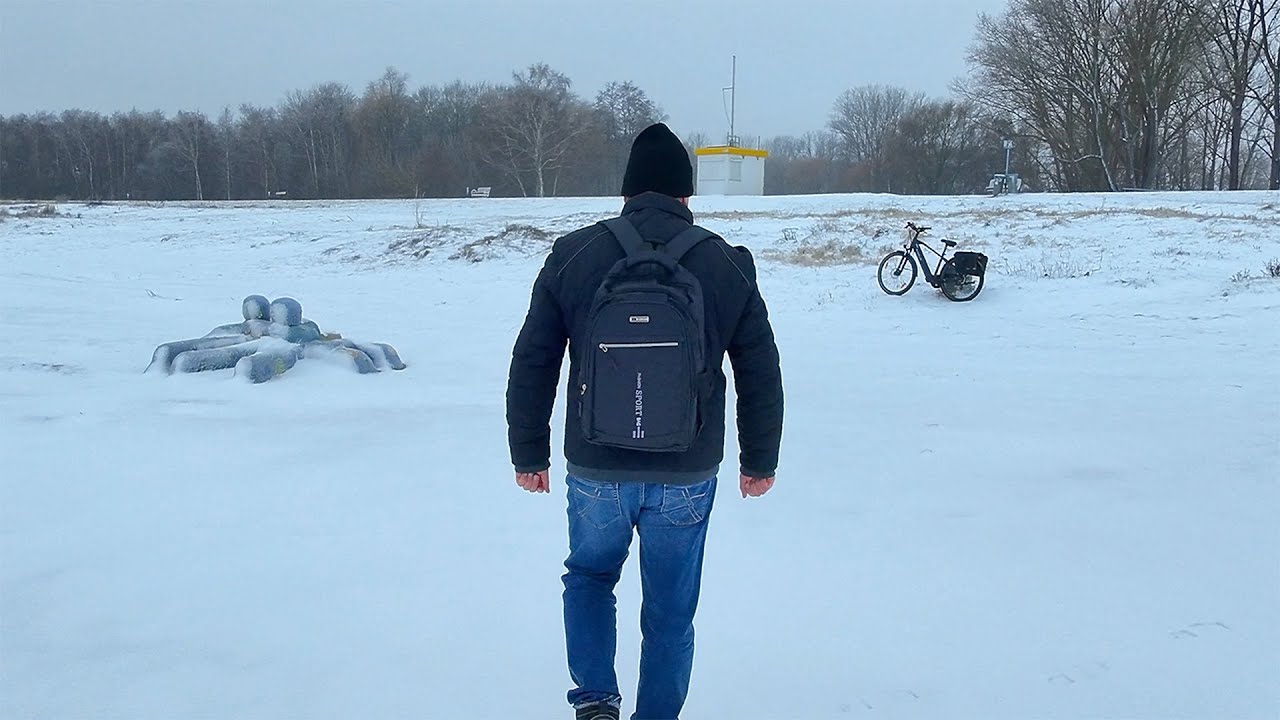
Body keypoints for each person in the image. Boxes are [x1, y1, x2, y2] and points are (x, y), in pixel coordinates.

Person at [505, 123, 784, 720]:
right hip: (686, 469)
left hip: (595, 462)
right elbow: (760, 367)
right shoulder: (723, 262)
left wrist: (528, 453)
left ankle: (596, 703)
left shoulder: (575, 253)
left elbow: (534, 356)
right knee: (670, 609)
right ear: (686, 195)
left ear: (626, 192)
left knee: (589, 577)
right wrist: (759, 460)